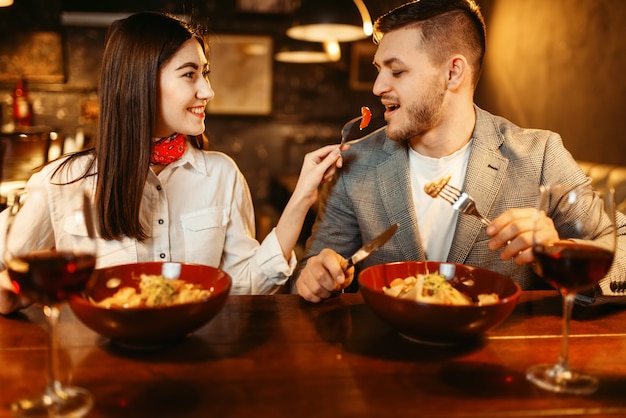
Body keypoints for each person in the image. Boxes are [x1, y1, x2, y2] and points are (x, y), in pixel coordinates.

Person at [0, 12, 345, 314]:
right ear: (141, 82)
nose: (207, 91)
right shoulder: (61, 182)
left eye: (205, 73)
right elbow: (9, 267)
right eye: (189, 74)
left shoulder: (221, 175)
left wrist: (302, 195)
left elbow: (245, 289)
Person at [294, 0, 626, 304]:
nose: (378, 87)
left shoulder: (539, 155)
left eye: (396, 71)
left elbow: (619, 245)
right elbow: (309, 273)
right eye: (379, 70)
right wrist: (314, 278)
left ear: (453, 73)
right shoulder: (357, 161)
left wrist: (556, 252)